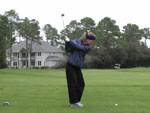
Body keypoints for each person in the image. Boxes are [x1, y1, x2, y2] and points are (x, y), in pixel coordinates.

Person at [64, 32, 96, 107]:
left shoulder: (88, 47)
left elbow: (80, 48)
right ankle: (73, 102)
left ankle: (76, 101)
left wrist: (70, 41)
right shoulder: (77, 41)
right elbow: (68, 49)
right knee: (72, 84)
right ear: (88, 39)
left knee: (81, 84)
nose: (92, 42)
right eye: (92, 40)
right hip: (70, 65)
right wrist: (67, 42)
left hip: (77, 66)